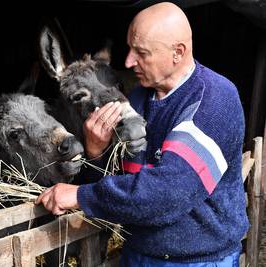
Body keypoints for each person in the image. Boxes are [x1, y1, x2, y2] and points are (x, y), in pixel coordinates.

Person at [36, 2, 248, 266]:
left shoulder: (214, 101)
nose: (128, 61)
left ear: (177, 53)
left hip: (197, 260)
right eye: (129, 48)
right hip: (137, 253)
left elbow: (168, 195)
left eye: (142, 53)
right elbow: (118, 182)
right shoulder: (136, 98)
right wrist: (96, 151)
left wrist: (79, 195)